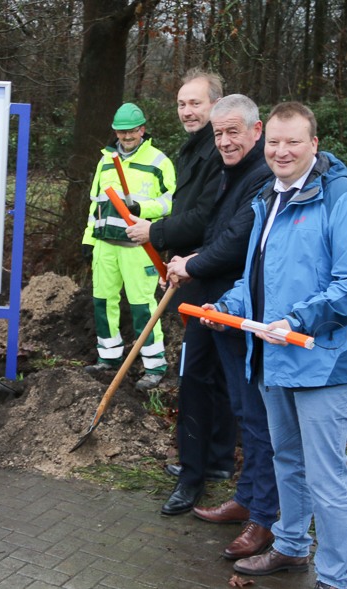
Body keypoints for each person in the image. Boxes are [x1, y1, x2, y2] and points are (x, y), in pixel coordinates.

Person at [207, 102, 347, 589]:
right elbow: (256, 280)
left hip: (321, 363)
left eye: (293, 142)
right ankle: (290, 547)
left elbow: (346, 285)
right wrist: (226, 306)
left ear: (314, 143)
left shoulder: (338, 198)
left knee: (329, 481)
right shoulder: (269, 196)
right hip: (270, 356)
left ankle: (335, 577)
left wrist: (295, 319)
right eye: (274, 143)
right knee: (286, 460)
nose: (281, 151)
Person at [166, 95, 277, 560]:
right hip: (217, 304)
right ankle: (248, 499)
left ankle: (264, 518)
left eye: (234, 132)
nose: (225, 141)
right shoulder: (232, 172)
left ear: (257, 131)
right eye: (219, 134)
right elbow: (216, 228)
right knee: (241, 407)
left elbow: (236, 240)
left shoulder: (261, 176)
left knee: (257, 415)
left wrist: (193, 264)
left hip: (241, 309)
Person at [126, 69, 238, 516]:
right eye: (181, 104)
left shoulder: (218, 154)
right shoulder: (196, 150)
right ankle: (213, 462)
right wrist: (172, 259)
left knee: (198, 377)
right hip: (194, 271)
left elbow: (204, 220)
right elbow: (186, 209)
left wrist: (157, 232)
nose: (187, 111)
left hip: (213, 279)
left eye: (196, 103)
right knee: (211, 374)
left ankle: (194, 476)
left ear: (217, 105)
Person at [81, 102, 175, 391]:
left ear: (142, 130)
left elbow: (172, 202)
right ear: (115, 132)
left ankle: (154, 364)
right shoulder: (105, 161)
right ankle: (108, 358)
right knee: (102, 301)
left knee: (142, 305)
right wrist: (88, 239)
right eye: (121, 132)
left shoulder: (159, 162)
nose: (126, 137)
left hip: (138, 245)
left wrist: (141, 206)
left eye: (132, 131)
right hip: (105, 244)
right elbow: (95, 204)